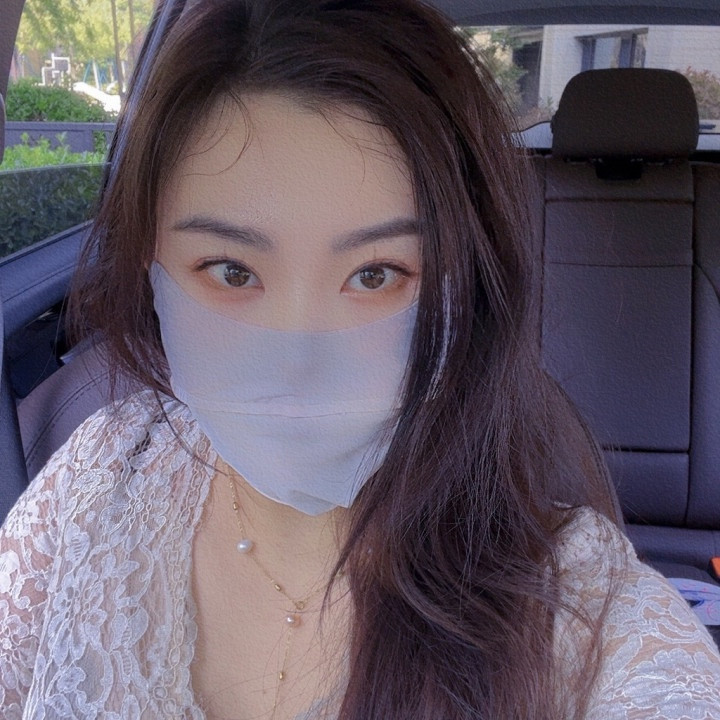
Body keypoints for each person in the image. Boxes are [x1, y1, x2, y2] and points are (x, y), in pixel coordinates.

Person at [1, 0, 720, 718]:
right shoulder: (95, 481)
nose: (296, 361)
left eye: (376, 274)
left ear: (462, 290)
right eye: (231, 270)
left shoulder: (580, 605)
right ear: (150, 265)